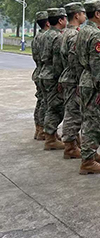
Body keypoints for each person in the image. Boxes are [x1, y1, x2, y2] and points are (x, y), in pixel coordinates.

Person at [76, 0, 100, 174]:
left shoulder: (83, 31)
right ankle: (88, 160)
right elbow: (98, 64)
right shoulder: (96, 35)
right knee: (94, 121)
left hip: (85, 78)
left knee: (88, 118)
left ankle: (91, 153)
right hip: (93, 82)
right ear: (97, 14)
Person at [59, 2, 87, 159]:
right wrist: (78, 80)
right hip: (73, 79)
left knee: (72, 110)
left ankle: (74, 142)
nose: (84, 16)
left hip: (67, 76)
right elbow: (75, 60)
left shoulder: (65, 33)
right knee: (73, 113)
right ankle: (70, 146)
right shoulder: (74, 35)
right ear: (77, 15)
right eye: (82, 13)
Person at [39, 8, 68, 150]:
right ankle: (50, 137)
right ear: (60, 20)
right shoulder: (58, 37)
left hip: (44, 72)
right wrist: (60, 79)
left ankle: (51, 134)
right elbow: (58, 61)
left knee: (50, 104)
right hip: (52, 75)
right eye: (65, 18)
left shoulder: (44, 35)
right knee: (56, 107)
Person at [32, 11, 50, 141]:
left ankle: (38, 128)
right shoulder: (46, 37)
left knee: (40, 101)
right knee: (46, 102)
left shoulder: (37, 37)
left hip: (38, 71)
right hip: (46, 71)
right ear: (48, 23)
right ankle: (43, 130)